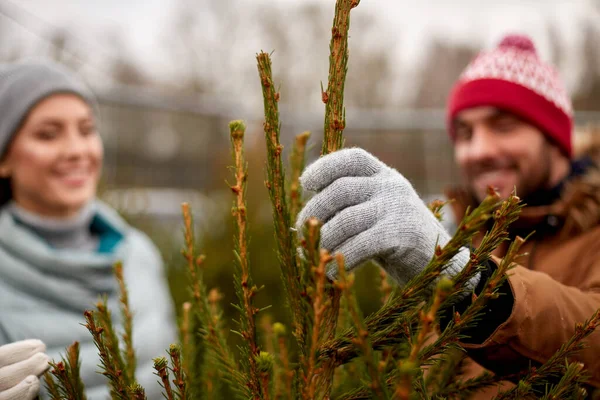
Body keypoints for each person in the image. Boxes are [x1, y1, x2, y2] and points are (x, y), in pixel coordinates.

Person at [296, 33, 600, 397]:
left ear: (555, 139)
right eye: (465, 133)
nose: (479, 150)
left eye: (504, 126)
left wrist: (460, 272)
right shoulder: (465, 232)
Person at [0, 61, 177, 400]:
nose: (77, 151)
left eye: (86, 129)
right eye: (47, 134)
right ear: (4, 158)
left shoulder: (139, 253)